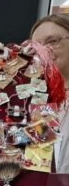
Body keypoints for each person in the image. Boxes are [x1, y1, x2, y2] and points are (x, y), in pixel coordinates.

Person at [31, 14, 69, 173]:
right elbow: (40, 157)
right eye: (36, 47)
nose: (44, 51)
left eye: (52, 42)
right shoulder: (36, 102)